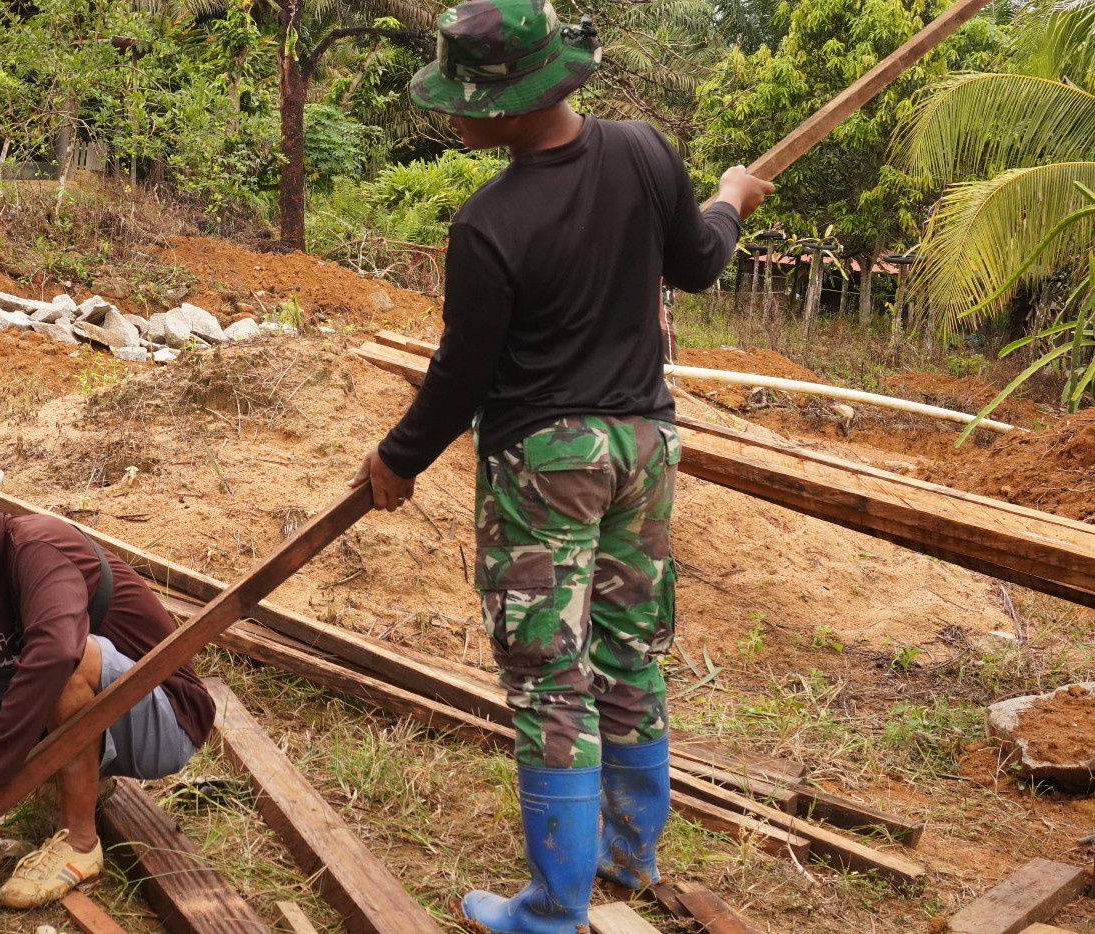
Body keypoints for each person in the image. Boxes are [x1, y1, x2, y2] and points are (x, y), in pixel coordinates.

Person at [347, 2, 774, 932]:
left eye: (463, 101)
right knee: (627, 649)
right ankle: (630, 853)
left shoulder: (490, 223)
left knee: (549, 677)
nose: (450, 115)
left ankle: (551, 909)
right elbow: (697, 264)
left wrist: (397, 457)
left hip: (548, 461)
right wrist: (729, 203)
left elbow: (464, 372)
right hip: (643, 450)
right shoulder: (644, 151)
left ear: (512, 105)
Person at [0, 462, 215, 909]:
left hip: (168, 722)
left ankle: (81, 844)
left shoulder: (38, 548)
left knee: (67, 657)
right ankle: (66, 771)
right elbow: (17, 690)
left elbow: (55, 656)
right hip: (102, 719)